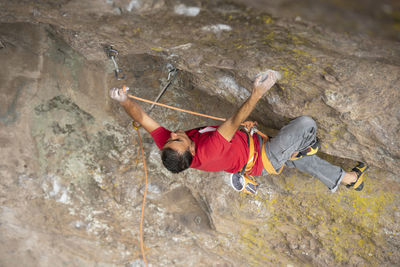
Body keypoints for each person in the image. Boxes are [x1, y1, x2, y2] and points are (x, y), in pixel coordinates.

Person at [109, 70, 368, 193]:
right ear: (190, 150)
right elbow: (236, 118)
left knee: (297, 162)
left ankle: (348, 180)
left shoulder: (173, 149)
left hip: (251, 147)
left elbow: (143, 118)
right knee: (305, 125)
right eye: (178, 140)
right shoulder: (209, 149)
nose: (174, 134)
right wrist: (258, 92)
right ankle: (304, 146)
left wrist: (123, 101)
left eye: (171, 139)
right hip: (263, 156)